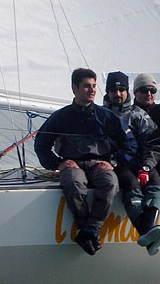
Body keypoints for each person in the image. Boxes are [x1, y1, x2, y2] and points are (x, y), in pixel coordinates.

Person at [35, 68, 137, 256]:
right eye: (86, 86)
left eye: (94, 86)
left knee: (110, 183)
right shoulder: (61, 117)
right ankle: (85, 229)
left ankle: (90, 229)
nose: (91, 90)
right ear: (74, 89)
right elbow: (41, 144)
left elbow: (130, 143)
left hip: (99, 164)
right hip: (72, 163)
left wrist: (113, 162)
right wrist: (57, 164)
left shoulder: (106, 116)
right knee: (74, 183)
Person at [103, 71, 160, 255]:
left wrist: (146, 167)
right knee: (131, 185)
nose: (118, 94)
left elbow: (154, 143)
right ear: (107, 92)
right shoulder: (100, 115)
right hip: (116, 165)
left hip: (141, 162)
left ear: (127, 92)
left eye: (122, 90)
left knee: (157, 185)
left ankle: (146, 232)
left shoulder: (138, 115)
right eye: (113, 90)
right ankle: (148, 234)